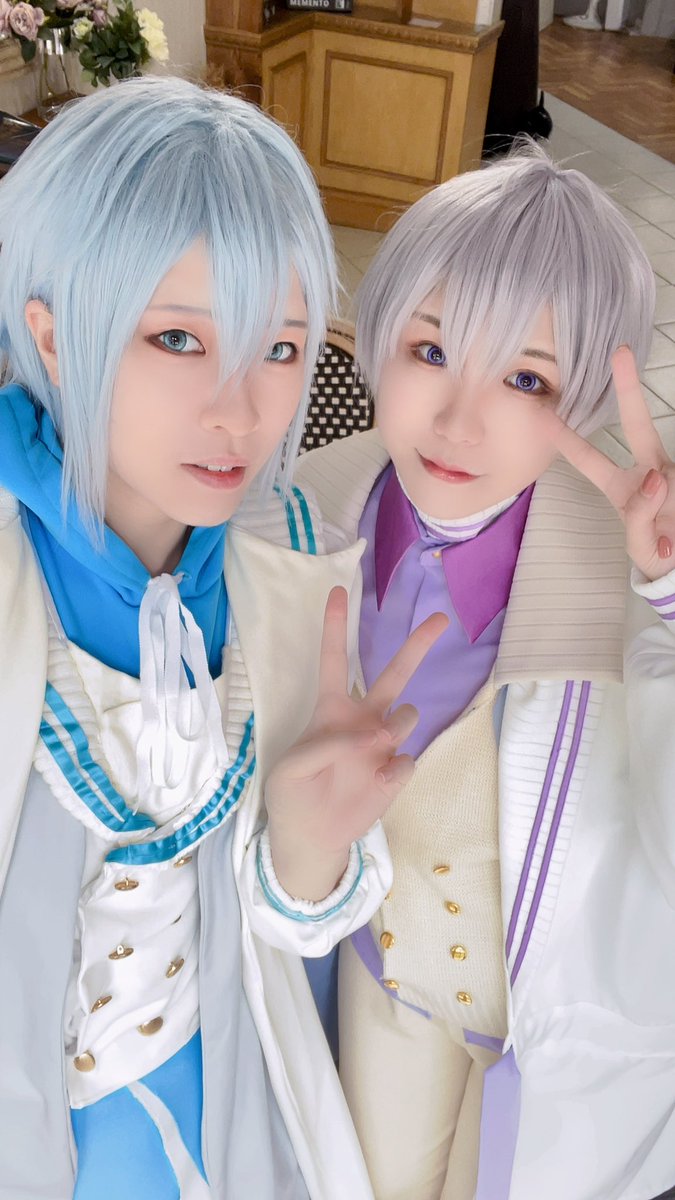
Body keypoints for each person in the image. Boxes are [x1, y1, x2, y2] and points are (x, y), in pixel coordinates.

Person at [0, 75, 445, 1200]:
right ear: (51, 336)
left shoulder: (293, 567)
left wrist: (308, 845)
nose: (240, 412)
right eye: (177, 338)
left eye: (280, 349)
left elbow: (290, 933)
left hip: (237, 1098)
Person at [295, 144, 675, 1200]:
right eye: (431, 349)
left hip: (559, 1027)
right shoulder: (297, 513)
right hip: (378, 983)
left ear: (585, 397)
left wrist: (668, 603)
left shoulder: (631, 564)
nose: (459, 420)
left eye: (525, 378)